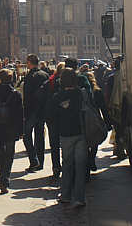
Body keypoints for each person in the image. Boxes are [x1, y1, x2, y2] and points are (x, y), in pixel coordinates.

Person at [51, 68, 87, 208]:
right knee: (80, 166)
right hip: (80, 132)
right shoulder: (80, 94)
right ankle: (79, 197)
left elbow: (52, 117)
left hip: (65, 134)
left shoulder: (57, 96)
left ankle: (65, 195)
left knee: (67, 165)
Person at [23, 54, 49, 172]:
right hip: (42, 110)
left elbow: (27, 96)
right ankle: (40, 162)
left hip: (31, 110)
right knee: (39, 136)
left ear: (29, 62)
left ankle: (34, 161)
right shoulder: (45, 75)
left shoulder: (30, 76)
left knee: (26, 136)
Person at [86, 72, 112, 172]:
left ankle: (88, 159)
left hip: (84, 119)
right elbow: (103, 108)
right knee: (95, 140)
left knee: (85, 142)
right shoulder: (97, 91)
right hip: (96, 118)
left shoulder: (81, 91)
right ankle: (92, 158)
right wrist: (107, 122)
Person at [45, 62, 65, 179]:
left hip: (52, 117)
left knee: (54, 145)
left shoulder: (50, 81)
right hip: (64, 117)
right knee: (66, 144)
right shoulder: (69, 82)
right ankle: (67, 167)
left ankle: (56, 168)